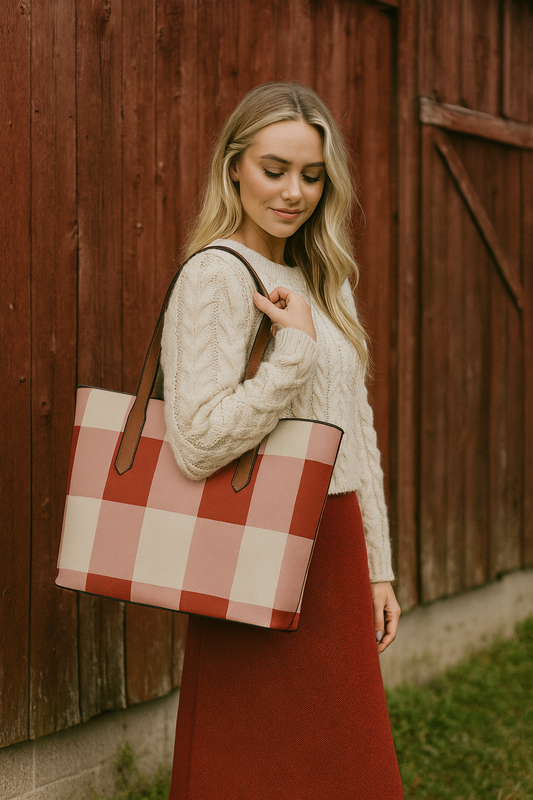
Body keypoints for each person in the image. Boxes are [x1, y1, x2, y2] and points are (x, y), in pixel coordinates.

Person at [161, 82, 404, 799]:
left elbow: (354, 427)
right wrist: (290, 354)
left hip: (334, 541)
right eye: (275, 169)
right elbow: (196, 443)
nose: (294, 192)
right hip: (256, 538)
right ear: (234, 166)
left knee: (345, 757)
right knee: (255, 759)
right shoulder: (215, 275)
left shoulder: (325, 276)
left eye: (312, 175)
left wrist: (377, 566)